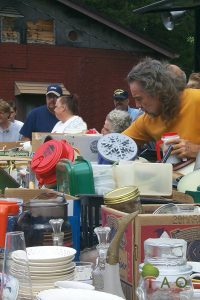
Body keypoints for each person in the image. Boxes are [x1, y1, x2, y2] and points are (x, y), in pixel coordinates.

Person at [123, 57, 200, 159]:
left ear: (157, 91)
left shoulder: (196, 100)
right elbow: (119, 142)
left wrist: (197, 151)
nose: (137, 105)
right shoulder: (147, 120)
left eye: (139, 99)